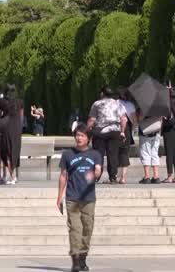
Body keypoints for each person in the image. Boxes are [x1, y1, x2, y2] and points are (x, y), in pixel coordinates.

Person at [57, 125, 102, 272]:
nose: (79, 138)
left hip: (88, 198)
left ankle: (83, 257)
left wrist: (94, 174)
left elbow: (98, 170)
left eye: (82, 135)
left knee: (87, 228)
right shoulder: (68, 154)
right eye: (77, 135)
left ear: (88, 138)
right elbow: (63, 175)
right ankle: (75, 260)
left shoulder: (95, 154)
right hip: (72, 197)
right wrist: (59, 197)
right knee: (75, 229)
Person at [87, 86, 126, 183]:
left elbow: (92, 119)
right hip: (114, 131)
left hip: (100, 132)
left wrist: (87, 130)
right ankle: (112, 177)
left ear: (102, 94)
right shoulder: (118, 104)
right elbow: (123, 119)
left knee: (98, 154)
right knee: (113, 154)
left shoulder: (97, 104)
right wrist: (122, 131)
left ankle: (96, 176)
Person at [136, 106, 162, 184]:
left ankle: (147, 176)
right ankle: (156, 176)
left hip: (145, 132)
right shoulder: (158, 107)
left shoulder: (143, 106)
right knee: (155, 153)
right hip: (156, 132)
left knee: (145, 153)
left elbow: (140, 119)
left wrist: (139, 116)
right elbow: (160, 120)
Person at [116, 88, 136, 184]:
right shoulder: (130, 105)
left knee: (114, 152)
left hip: (115, 129)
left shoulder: (114, 103)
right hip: (127, 130)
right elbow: (134, 120)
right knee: (124, 152)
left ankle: (114, 176)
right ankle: (123, 177)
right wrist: (133, 129)